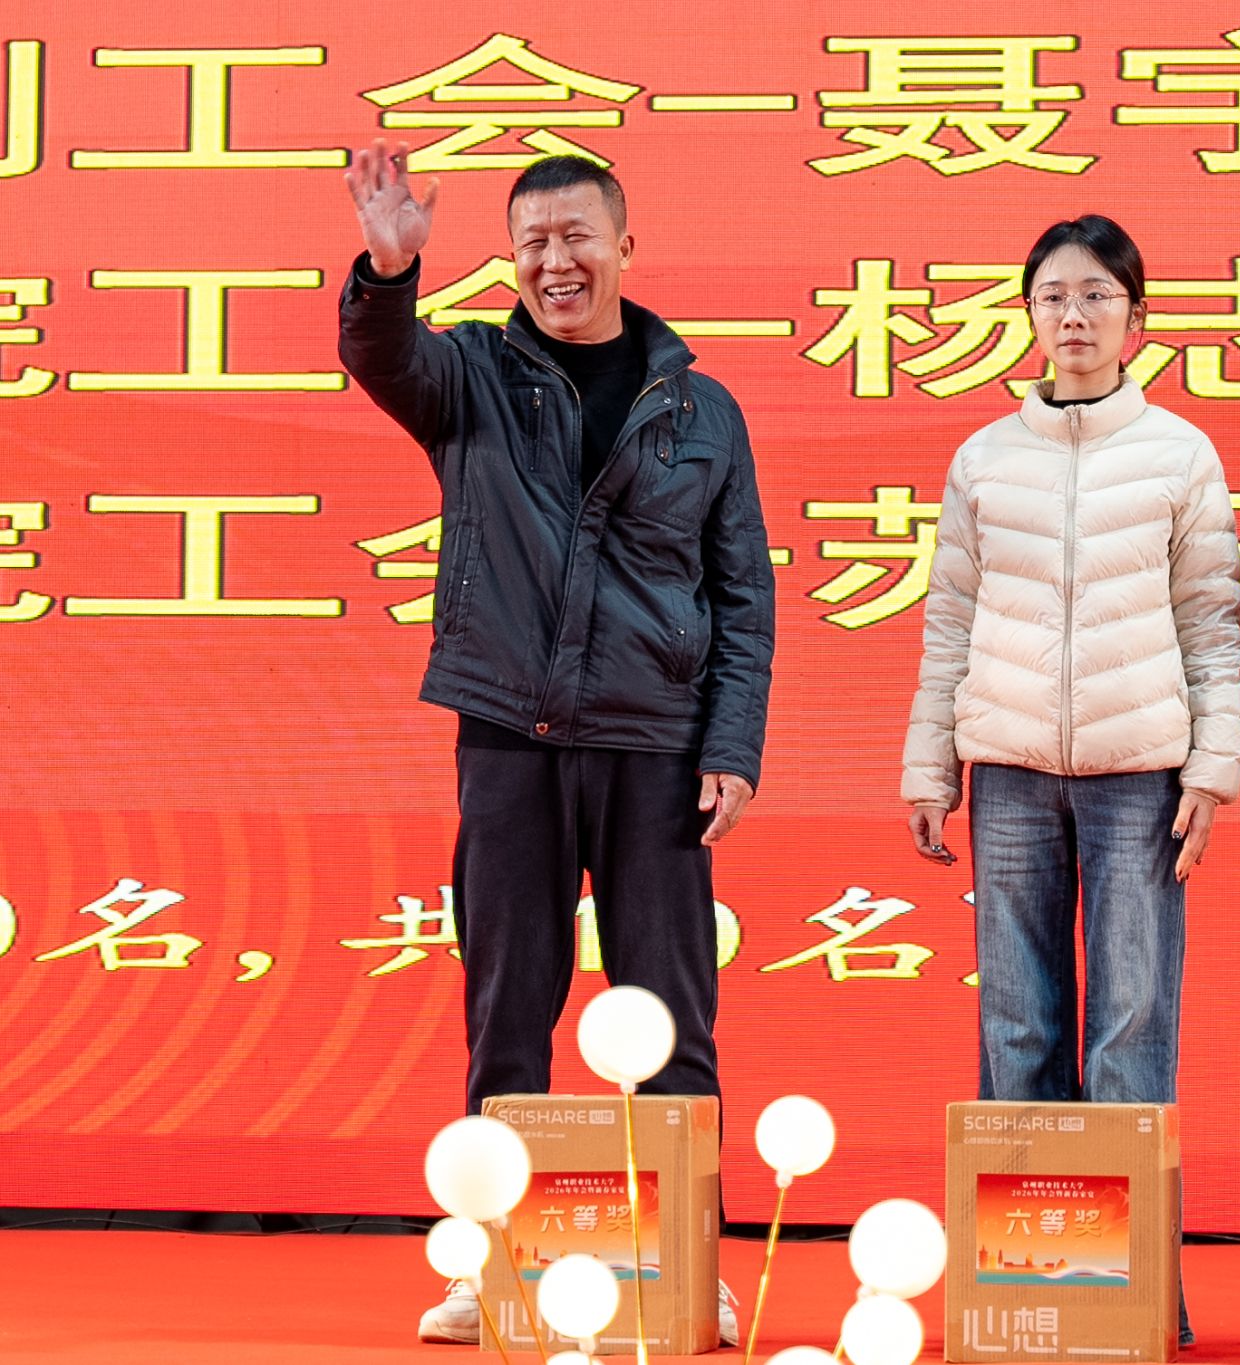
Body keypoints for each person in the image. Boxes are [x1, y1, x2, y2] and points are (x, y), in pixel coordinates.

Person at [339, 143, 772, 1346]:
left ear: (625, 246)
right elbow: (381, 354)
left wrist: (731, 742)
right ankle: (489, 1268)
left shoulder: (699, 410)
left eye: (576, 236)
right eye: (532, 242)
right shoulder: (473, 374)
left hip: (656, 748)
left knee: (672, 1021)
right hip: (508, 743)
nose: (554, 261)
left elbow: (743, 595)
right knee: (506, 1013)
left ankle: (690, 1263)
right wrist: (388, 270)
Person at [902, 214, 1240, 1349]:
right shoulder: (982, 459)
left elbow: (1213, 624)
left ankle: (1136, 1290)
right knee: (1017, 1025)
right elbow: (948, 620)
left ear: (1136, 320)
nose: (1075, 316)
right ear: (1029, 316)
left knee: (1131, 1030)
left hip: (1139, 775)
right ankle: (1026, 1282)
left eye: (1098, 295)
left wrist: (1213, 768)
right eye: (1053, 296)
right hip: (1006, 771)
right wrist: (929, 764)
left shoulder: (1180, 454)